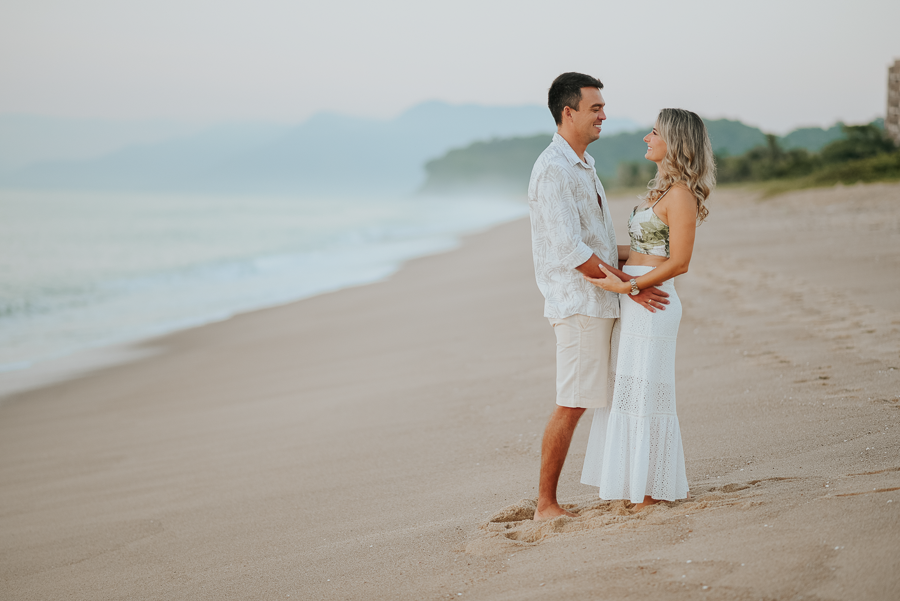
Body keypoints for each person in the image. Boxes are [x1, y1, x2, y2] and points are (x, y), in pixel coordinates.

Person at [528, 73, 671, 521]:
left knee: (606, 397)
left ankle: (627, 482)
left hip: (601, 299)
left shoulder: (582, 164)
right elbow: (572, 251)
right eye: (595, 108)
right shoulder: (552, 169)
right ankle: (545, 505)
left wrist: (656, 261)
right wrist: (632, 287)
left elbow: (603, 247)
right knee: (573, 401)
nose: (604, 115)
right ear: (568, 112)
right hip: (580, 303)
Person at [580, 108, 716, 510]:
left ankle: (653, 488)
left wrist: (630, 285)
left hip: (654, 303)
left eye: (654, 132)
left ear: (674, 142)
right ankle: (639, 483)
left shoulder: (681, 196)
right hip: (635, 301)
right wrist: (591, 256)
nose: (646, 138)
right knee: (630, 390)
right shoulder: (660, 191)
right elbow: (639, 251)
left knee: (648, 394)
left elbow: (679, 262)